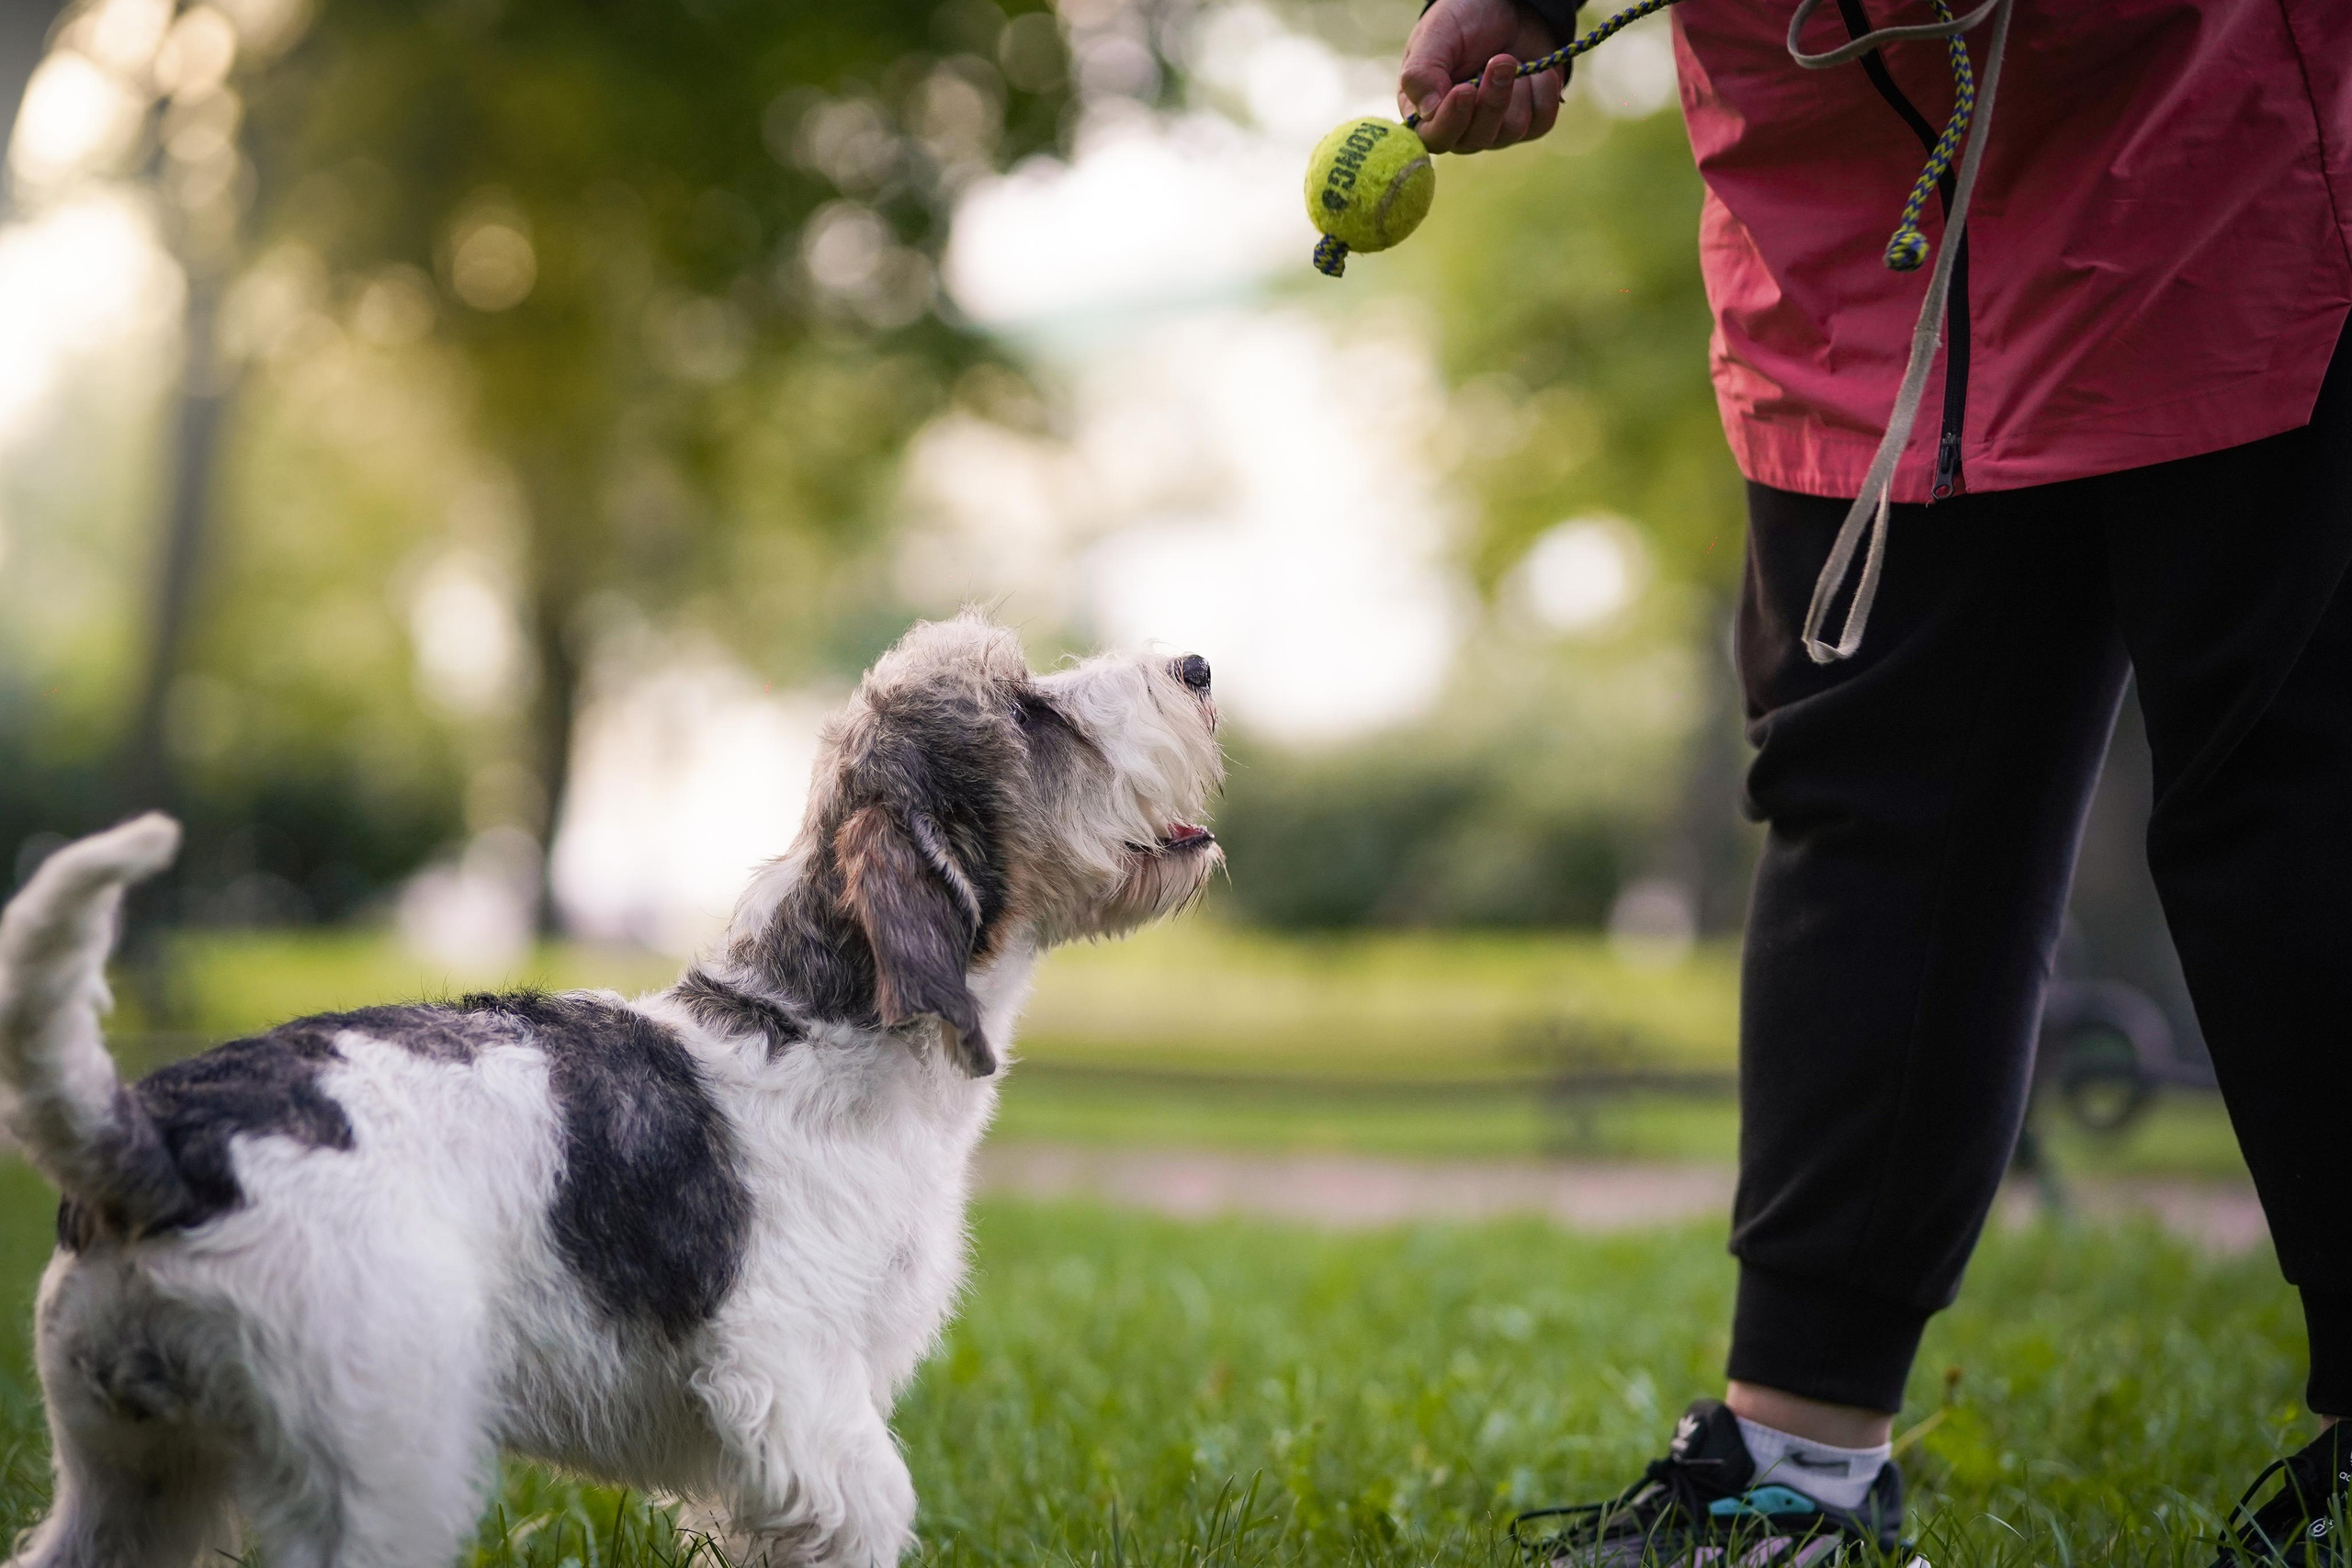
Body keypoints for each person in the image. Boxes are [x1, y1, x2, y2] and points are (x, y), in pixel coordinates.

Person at [1396, 1, 2352, 1562]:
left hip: (2221, 162)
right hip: (1860, 234)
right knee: (1873, 826)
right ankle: (1796, 1465)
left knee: (2300, 802)